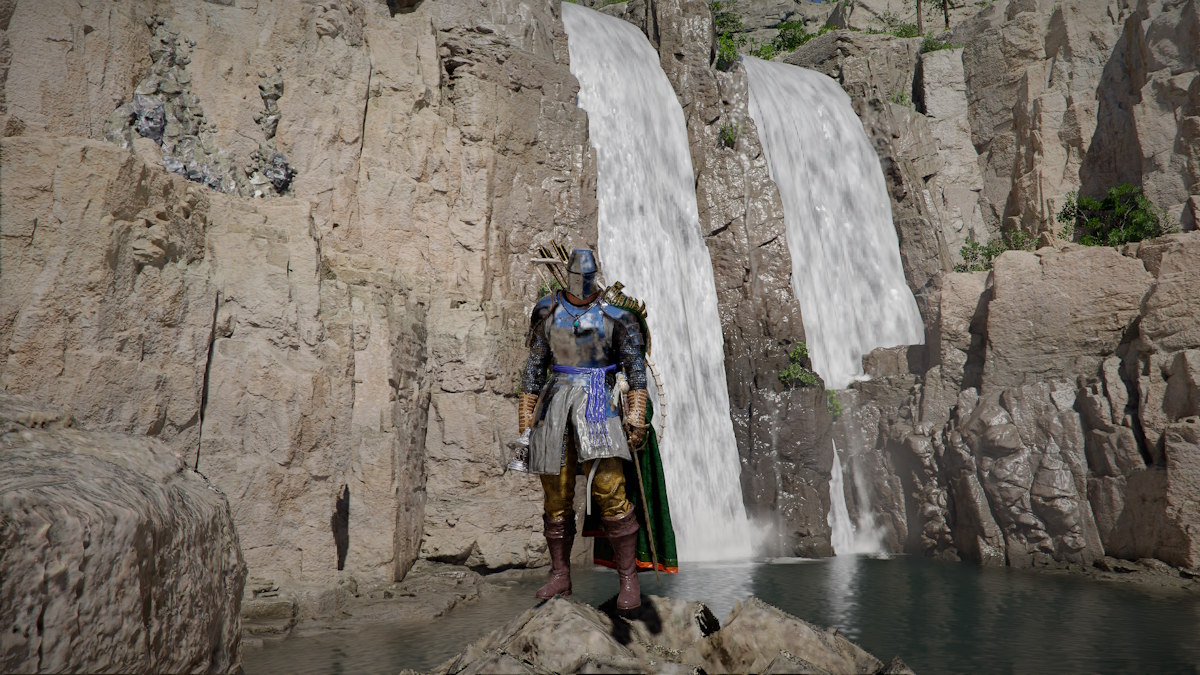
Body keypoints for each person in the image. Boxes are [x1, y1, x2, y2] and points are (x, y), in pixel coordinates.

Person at [517, 248, 649, 611]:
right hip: (554, 403)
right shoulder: (547, 312)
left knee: (609, 487)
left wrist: (636, 415)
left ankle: (628, 580)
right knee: (556, 493)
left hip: (598, 402)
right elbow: (534, 368)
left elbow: (636, 372)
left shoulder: (618, 316)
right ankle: (560, 574)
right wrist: (525, 420)